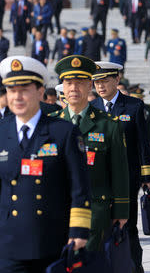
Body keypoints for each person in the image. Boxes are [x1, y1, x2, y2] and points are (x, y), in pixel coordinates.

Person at [0, 56, 91, 272]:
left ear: (39, 92)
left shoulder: (63, 132)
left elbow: (79, 187)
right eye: (11, 90)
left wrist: (79, 231)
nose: (17, 96)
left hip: (51, 239)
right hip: (10, 240)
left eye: (24, 89)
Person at [50, 57, 130, 251]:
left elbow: (119, 170)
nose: (74, 89)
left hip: (95, 211)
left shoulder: (108, 124)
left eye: (80, 83)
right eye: (69, 83)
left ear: (89, 86)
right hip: (57, 211)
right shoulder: (50, 125)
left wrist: (121, 210)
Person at [92, 62, 150, 273]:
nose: (100, 86)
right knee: (103, 225)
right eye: (97, 82)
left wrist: (147, 175)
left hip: (127, 177)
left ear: (116, 80)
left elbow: (142, 143)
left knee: (127, 224)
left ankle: (135, 266)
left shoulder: (134, 106)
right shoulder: (93, 109)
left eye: (105, 81)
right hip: (100, 179)